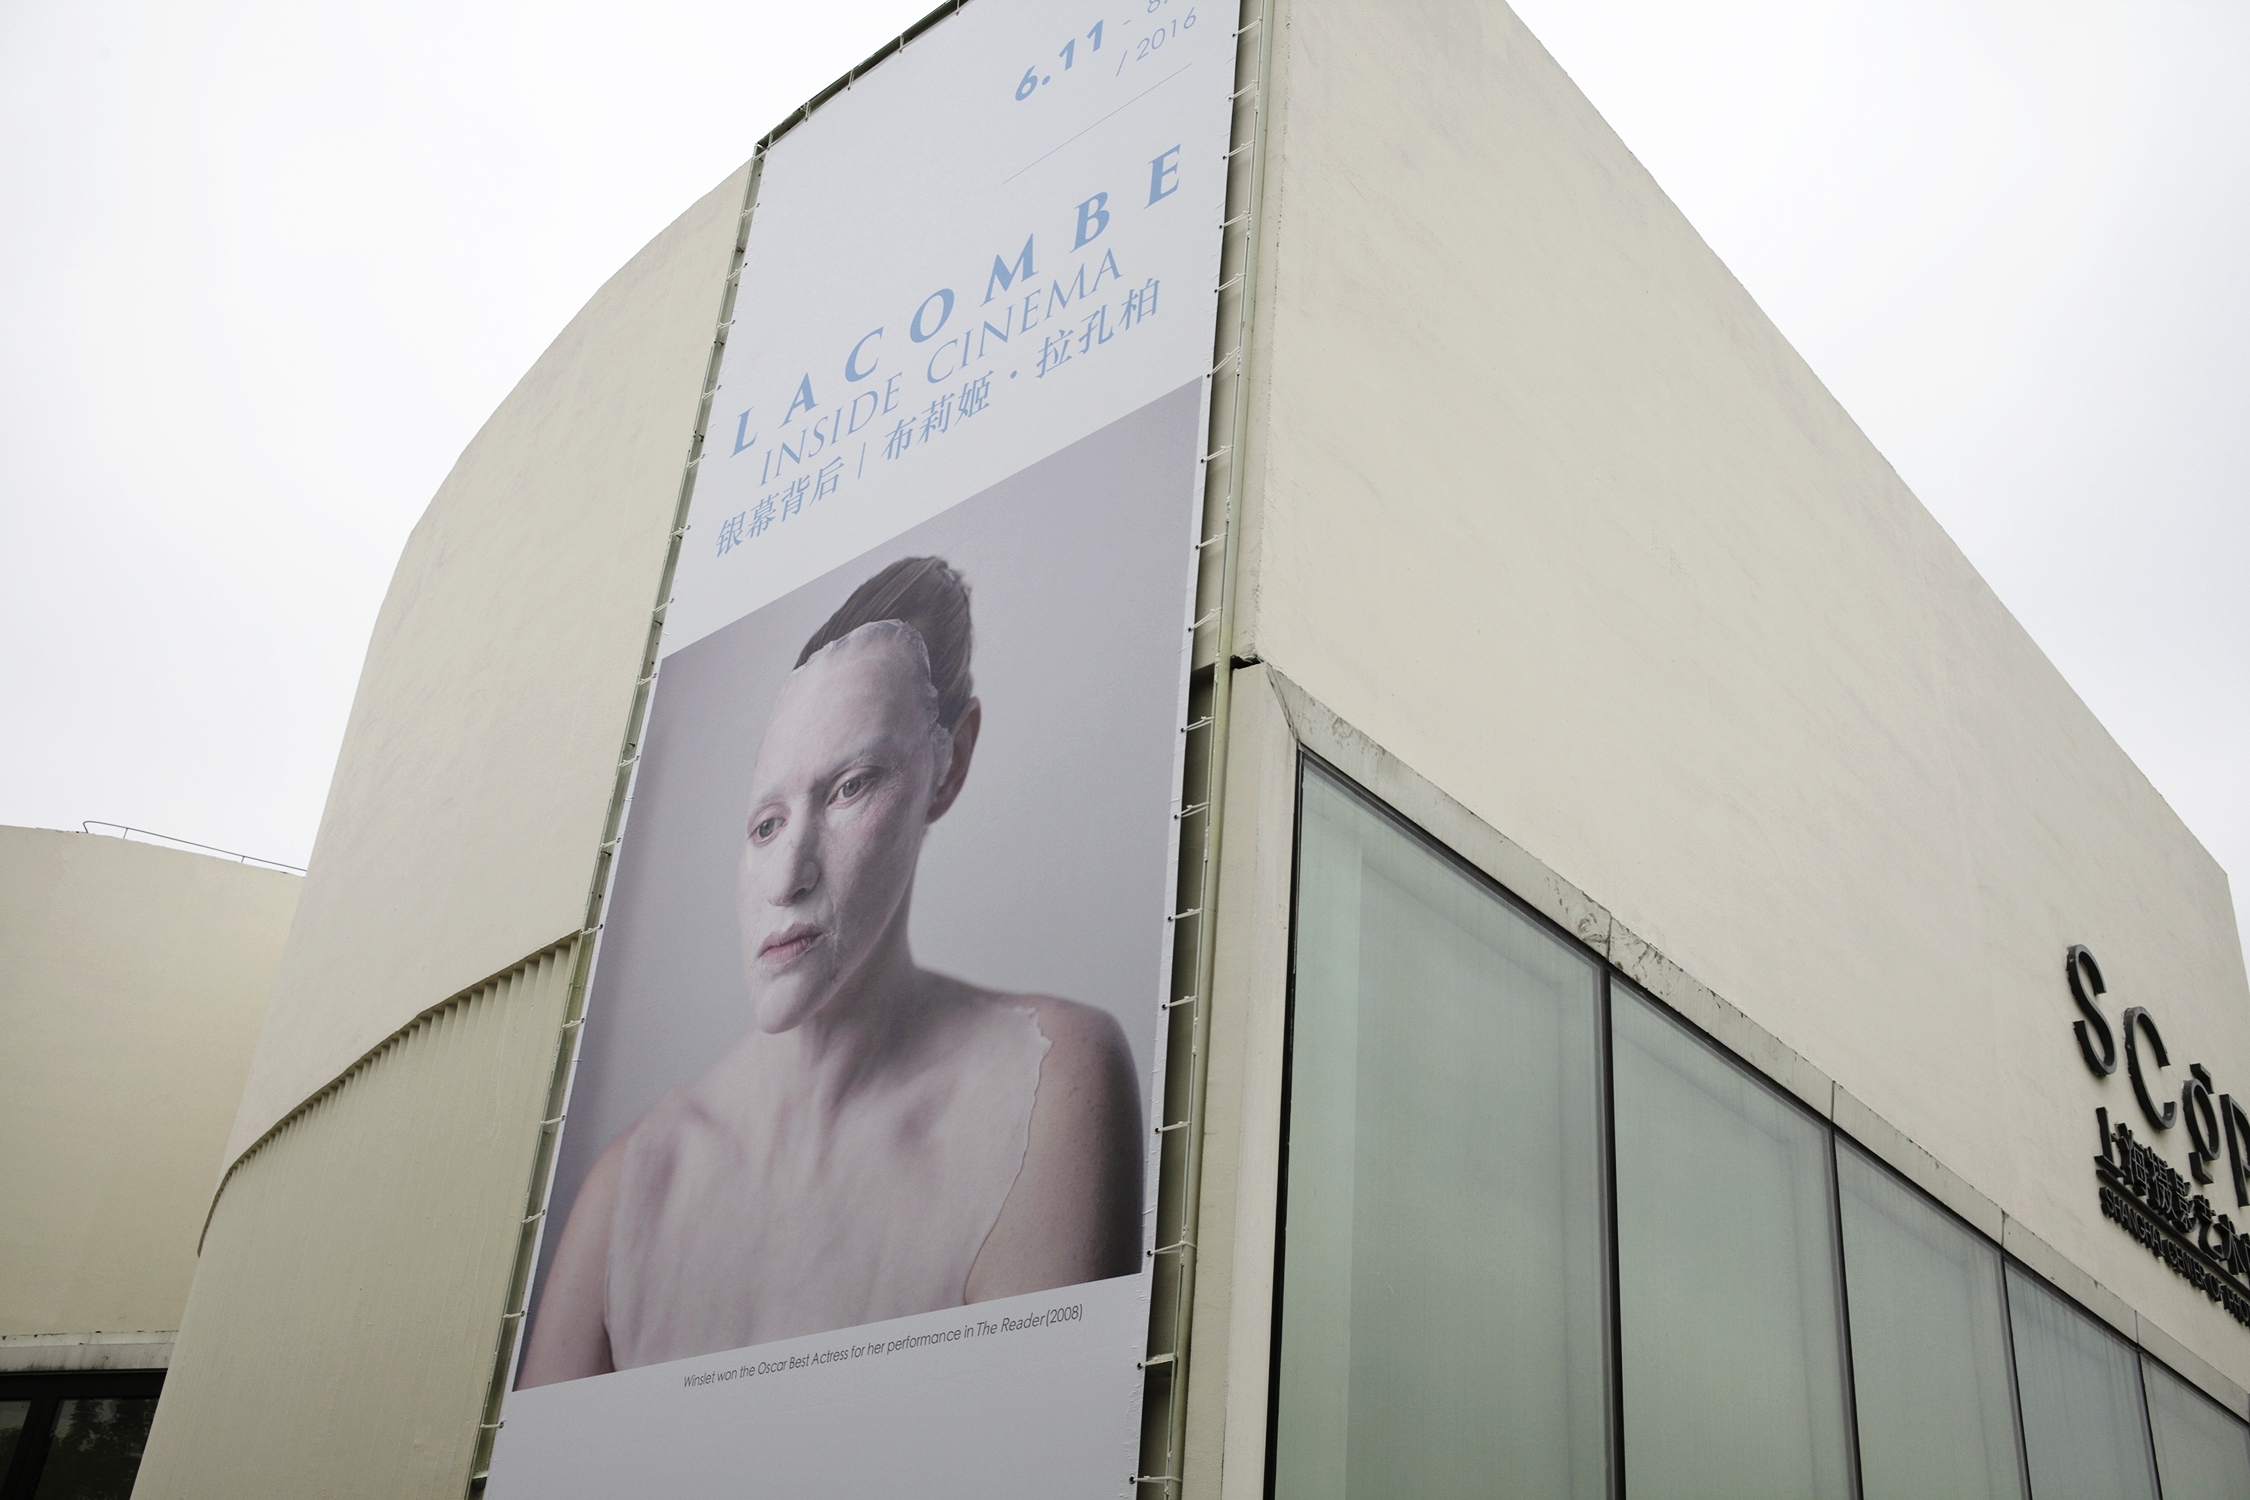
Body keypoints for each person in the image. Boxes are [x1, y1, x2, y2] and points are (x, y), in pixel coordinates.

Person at [519, 557, 1144, 1386]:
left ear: (948, 763)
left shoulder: (1050, 1083)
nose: (788, 878)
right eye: (766, 824)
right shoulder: (632, 1186)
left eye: (851, 787)